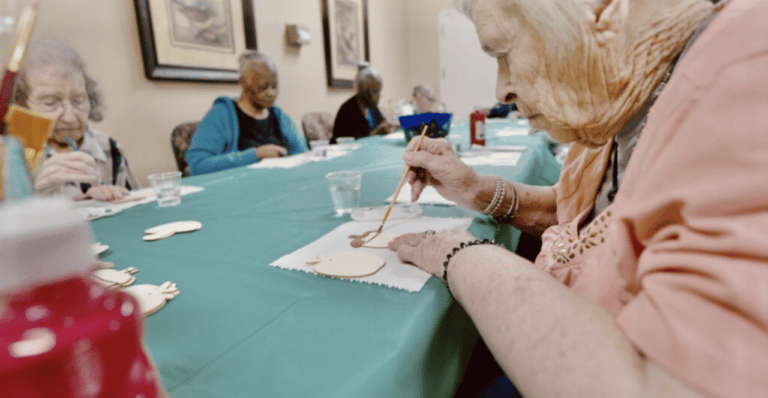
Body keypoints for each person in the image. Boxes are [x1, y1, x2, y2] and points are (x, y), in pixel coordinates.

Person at [389, 0, 768, 397]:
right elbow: (585, 222)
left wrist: (463, 257)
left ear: (601, 10)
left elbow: (664, 382)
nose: (502, 90)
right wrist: (473, 189)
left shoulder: (747, 69)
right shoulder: (609, 107)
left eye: (503, 52)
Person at [12, 38, 137, 201]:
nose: (69, 118)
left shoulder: (108, 147)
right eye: (50, 103)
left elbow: (138, 208)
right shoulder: (8, 155)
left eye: (78, 101)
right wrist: (33, 192)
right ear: (20, 106)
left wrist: (110, 200)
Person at [186, 51, 306, 176]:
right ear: (243, 82)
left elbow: (303, 153)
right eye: (262, 87)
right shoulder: (221, 114)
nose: (271, 93)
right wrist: (256, 154)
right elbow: (197, 165)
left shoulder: (278, 115)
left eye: (275, 86)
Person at [330, 65, 393, 143]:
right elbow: (349, 141)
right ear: (361, 89)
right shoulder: (348, 110)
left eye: (379, 91)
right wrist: (374, 133)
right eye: (375, 91)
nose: (379, 96)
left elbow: (382, 123)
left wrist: (387, 127)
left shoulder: (372, 107)